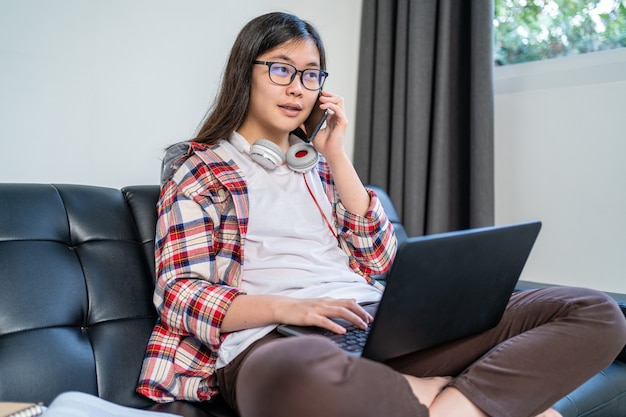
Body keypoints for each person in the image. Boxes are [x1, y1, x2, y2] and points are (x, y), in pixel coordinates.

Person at [137, 11, 626, 417]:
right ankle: (457, 395)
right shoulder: (200, 169)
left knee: (594, 310)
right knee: (296, 372)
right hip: (275, 339)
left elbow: (380, 264)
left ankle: (450, 404)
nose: (298, 88)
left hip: (377, 325)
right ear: (245, 71)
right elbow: (181, 294)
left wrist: (337, 155)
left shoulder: (321, 169)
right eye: (281, 69)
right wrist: (292, 308)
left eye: (311, 74)